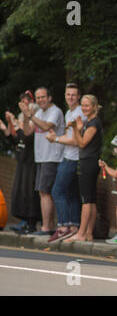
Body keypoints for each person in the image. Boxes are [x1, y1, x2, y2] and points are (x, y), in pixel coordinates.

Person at [19, 87, 65, 236]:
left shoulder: (55, 112)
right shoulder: (38, 112)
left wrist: (30, 115)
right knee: (43, 192)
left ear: (49, 97)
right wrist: (26, 116)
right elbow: (27, 131)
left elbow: (46, 126)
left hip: (52, 157)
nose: (40, 100)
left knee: (45, 191)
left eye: (43, 97)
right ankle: (48, 226)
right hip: (41, 157)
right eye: (38, 98)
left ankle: (46, 228)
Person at [46, 83, 85, 242]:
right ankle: (74, 226)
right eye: (68, 94)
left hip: (72, 158)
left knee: (57, 191)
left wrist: (55, 139)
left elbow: (76, 141)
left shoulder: (79, 113)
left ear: (79, 96)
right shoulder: (70, 112)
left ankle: (63, 226)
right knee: (71, 193)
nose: (70, 97)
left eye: (74, 95)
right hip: (70, 157)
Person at [0, 91, 41, 234]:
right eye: (22, 100)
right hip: (22, 160)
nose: (24, 103)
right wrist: (9, 124)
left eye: (27, 100)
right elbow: (16, 139)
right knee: (20, 191)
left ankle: (31, 223)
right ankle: (23, 220)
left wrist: (18, 121)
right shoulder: (22, 119)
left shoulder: (35, 119)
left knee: (30, 192)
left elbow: (27, 135)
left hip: (32, 161)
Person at [64, 94, 103, 242]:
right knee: (91, 200)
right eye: (83, 105)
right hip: (89, 162)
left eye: (87, 105)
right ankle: (88, 233)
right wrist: (79, 128)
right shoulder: (89, 122)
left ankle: (81, 233)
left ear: (94, 106)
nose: (84, 108)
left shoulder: (94, 123)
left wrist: (74, 129)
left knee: (86, 200)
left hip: (89, 163)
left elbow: (81, 143)